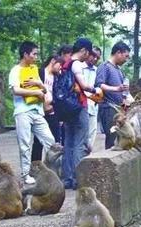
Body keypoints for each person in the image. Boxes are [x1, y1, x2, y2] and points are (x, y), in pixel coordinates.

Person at [8, 41, 55, 184]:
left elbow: (44, 90)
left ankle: (50, 170)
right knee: (25, 144)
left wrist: (39, 84)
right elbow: (15, 90)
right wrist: (35, 91)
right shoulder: (15, 70)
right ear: (25, 54)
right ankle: (25, 174)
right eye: (34, 54)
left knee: (50, 141)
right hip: (23, 111)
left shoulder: (34, 69)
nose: (36, 57)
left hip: (37, 111)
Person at [61, 38, 95, 189]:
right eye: (88, 53)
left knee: (68, 143)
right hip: (78, 106)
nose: (88, 57)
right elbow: (84, 86)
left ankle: (67, 178)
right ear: (83, 50)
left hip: (67, 108)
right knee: (80, 143)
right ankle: (78, 179)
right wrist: (95, 90)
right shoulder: (76, 64)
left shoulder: (64, 64)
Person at [95, 41, 130, 149]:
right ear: (118, 53)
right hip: (108, 108)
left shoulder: (119, 70)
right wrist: (116, 88)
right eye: (126, 56)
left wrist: (124, 98)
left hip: (119, 108)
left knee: (119, 136)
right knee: (112, 137)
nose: (126, 59)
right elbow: (99, 85)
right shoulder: (105, 66)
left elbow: (123, 88)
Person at [31, 55, 64, 161]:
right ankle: (35, 165)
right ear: (53, 61)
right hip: (40, 112)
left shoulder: (57, 77)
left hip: (52, 112)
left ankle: (54, 165)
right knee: (38, 141)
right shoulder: (40, 73)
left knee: (55, 139)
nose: (60, 67)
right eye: (60, 64)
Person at [82, 46, 102, 153]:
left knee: (92, 135)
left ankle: (87, 157)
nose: (95, 59)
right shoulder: (79, 67)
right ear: (88, 54)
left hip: (94, 106)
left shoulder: (97, 71)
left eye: (97, 58)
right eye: (93, 55)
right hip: (82, 105)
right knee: (82, 135)